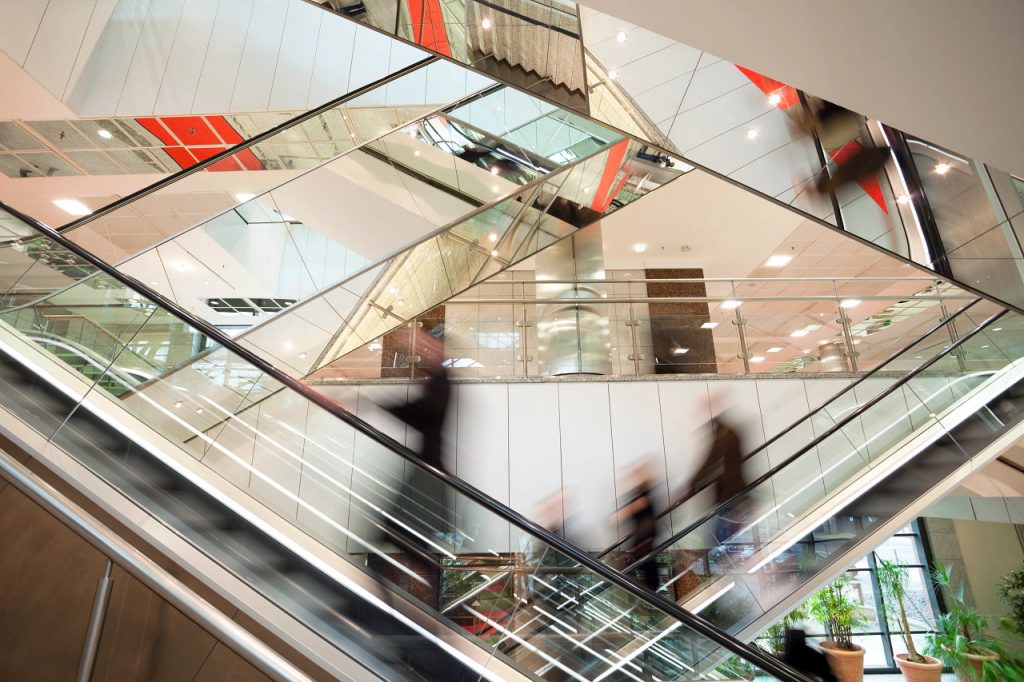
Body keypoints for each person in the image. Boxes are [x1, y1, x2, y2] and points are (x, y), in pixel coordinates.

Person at [684, 392, 748, 549]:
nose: (704, 413)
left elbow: (711, 460)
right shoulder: (723, 430)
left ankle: (730, 567)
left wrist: (691, 486)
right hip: (728, 495)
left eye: (707, 408)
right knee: (719, 540)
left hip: (730, 495)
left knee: (718, 542)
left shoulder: (725, 431)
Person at [618, 461, 659, 590]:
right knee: (644, 563)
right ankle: (650, 590)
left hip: (645, 535)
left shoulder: (645, 493)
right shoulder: (640, 492)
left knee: (644, 563)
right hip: (644, 535)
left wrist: (623, 513)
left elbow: (639, 505)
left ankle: (651, 590)